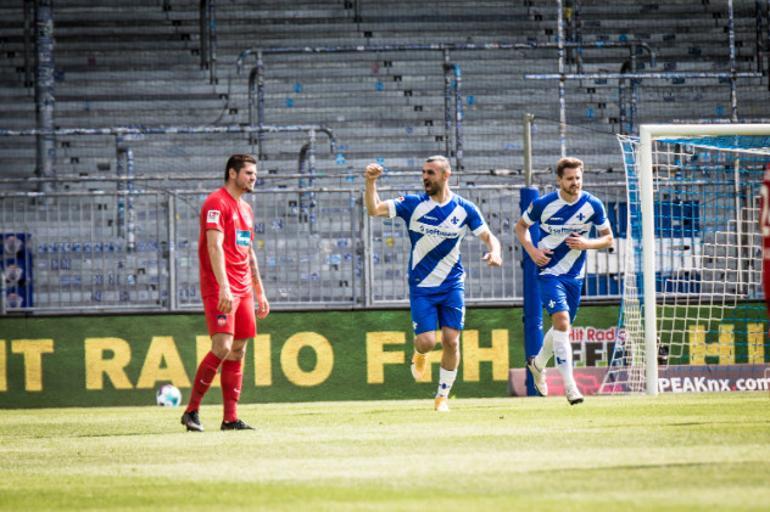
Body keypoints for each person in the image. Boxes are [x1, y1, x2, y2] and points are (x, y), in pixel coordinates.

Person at [364, 155, 502, 412]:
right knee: (427, 341)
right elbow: (374, 209)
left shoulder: (464, 208)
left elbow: (489, 237)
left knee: (451, 340)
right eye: (423, 172)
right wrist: (370, 182)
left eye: (431, 173)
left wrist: (495, 252)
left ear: (446, 175)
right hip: (422, 286)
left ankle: (442, 397)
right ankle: (419, 355)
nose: (425, 177)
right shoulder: (413, 204)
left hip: (452, 284)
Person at [181, 154, 270, 432]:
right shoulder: (216, 203)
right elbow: (214, 246)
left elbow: (248, 252)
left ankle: (230, 418)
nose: (253, 178)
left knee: (238, 350)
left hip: (243, 289)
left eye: (255, 174)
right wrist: (224, 286)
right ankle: (191, 411)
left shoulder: (246, 210)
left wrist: (260, 292)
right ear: (232, 173)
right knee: (222, 347)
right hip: (221, 288)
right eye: (248, 173)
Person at [515, 157, 613, 405]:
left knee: (562, 328)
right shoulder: (543, 204)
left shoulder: (593, 205)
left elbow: (608, 239)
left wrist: (586, 244)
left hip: (574, 276)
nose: (575, 182)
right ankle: (571, 388)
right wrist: (532, 251)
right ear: (559, 180)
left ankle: (537, 365)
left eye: (578, 177)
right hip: (548, 272)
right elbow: (520, 227)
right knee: (561, 321)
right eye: (570, 178)